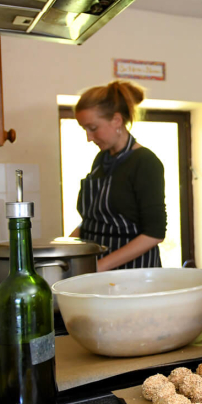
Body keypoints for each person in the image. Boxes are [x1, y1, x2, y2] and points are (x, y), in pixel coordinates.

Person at [69, 80, 166, 270]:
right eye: (84, 129)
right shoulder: (101, 160)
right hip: (97, 270)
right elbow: (92, 222)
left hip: (133, 274)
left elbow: (154, 234)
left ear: (116, 120)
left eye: (93, 128)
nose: (88, 137)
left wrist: (98, 267)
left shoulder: (145, 162)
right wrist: (61, 250)